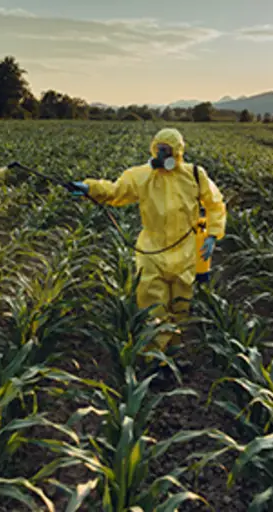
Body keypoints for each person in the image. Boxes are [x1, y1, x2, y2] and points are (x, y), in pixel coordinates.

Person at [70, 127, 226, 361]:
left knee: (181, 308)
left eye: (168, 150)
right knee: (154, 309)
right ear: (153, 149)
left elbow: (215, 203)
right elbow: (116, 192)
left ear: (178, 152)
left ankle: (174, 355)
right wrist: (90, 188)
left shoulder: (195, 174)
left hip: (185, 252)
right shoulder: (141, 176)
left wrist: (213, 234)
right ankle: (154, 361)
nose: (163, 155)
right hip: (151, 252)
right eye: (159, 150)